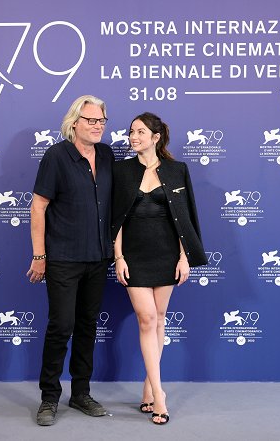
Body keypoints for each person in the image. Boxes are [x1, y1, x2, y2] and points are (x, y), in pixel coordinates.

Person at [111, 112, 207, 425]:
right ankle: (160, 393)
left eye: (140, 132)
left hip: (167, 254)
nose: (133, 137)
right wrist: (119, 257)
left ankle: (147, 388)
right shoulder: (121, 170)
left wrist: (183, 257)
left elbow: (185, 216)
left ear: (156, 137)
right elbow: (116, 220)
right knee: (147, 317)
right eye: (131, 132)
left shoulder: (177, 170)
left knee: (160, 318)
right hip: (134, 256)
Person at [27, 95, 114, 426]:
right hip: (63, 258)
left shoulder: (106, 155)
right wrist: (39, 255)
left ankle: (80, 394)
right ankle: (49, 398)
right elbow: (38, 206)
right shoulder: (56, 156)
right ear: (74, 122)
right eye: (90, 120)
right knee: (61, 325)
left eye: (101, 121)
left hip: (98, 258)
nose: (97, 127)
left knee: (87, 327)